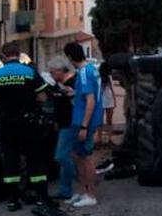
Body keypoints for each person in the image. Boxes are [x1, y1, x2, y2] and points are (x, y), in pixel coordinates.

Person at [0, 41, 62, 216]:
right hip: (29, 123)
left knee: (11, 161)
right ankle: (42, 197)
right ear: (19, 55)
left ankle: (13, 200)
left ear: (3, 57)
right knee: (35, 159)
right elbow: (42, 97)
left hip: (7, 125)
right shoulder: (29, 72)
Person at [65, 42, 102, 207]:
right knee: (77, 156)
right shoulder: (92, 69)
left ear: (70, 57)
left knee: (85, 158)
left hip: (83, 121)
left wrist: (84, 126)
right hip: (82, 119)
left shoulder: (85, 73)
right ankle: (83, 191)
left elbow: (91, 100)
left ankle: (90, 194)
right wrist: (75, 93)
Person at [45, 56, 80, 202]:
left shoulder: (73, 83)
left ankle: (78, 183)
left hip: (71, 124)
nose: (51, 75)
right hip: (65, 124)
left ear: (60, 70)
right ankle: (68, 188)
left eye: (52, 72)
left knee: (62, 156)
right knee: (72, 157)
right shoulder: (59, 85)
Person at [99, 61, 117, 147]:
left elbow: (112, 89)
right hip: (104, 99)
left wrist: (114, 99)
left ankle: (107, 139)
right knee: (103, 121)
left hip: (108, 99)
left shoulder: (108, 78)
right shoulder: (99, 78)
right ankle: (101, 139)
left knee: (107, 120)